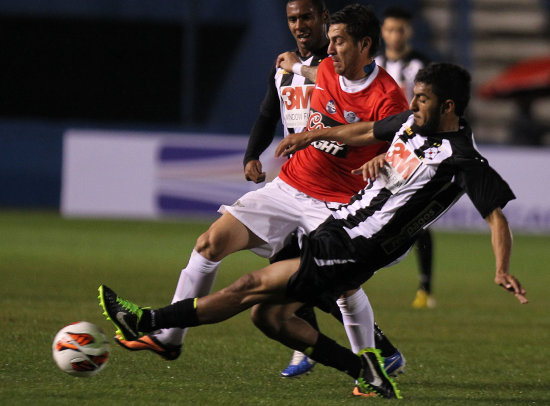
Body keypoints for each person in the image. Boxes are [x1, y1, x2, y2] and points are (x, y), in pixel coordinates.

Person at [99, 62, 528, 399]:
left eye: (422, 100)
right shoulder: (414, 125)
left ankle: (147, 321)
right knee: (268, 317)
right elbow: (363, 131)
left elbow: (496, 216)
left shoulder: (463, 159)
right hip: (338, 226)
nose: (413, 106)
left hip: (357, 247)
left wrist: (501, 268)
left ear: (449, 106)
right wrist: (312, 136)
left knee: (250, 285)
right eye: (414, 97)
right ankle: (369, 370)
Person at [115, 2, 407, 392]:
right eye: (331, 42)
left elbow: (402, 143)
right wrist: (288, 64)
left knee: (340, 287)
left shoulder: (388, 96)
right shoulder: (325, 69)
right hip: (289, 187)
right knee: (210, 242)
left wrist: (383, 159)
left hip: (338, 204)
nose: (331, 49)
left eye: (338, 42)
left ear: (364, 45)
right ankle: (169, 338)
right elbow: (301, 75)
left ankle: (372, 367)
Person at [242, 0, 404, 378]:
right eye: (292, 18)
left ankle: (376, 352)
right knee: (292, 267)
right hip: (296, 179)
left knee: (323, 276)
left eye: (306, 17)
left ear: (323, 20)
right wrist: (252, 155)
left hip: (334, 187)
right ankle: (311, 348)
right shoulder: (293, 69)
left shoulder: (340, 69)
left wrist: (382, 160)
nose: (299, 25)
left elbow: (329, 80)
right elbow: (269, 113)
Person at [376, 6, 435, 309]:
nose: (395, 35)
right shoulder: (374, 65)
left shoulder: (420, 65)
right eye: (389, 30)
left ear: (408, 32)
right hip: (378, 149)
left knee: (418, 216)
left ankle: (425, 287)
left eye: (400, 30)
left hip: (412, 150)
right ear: (382, 32)